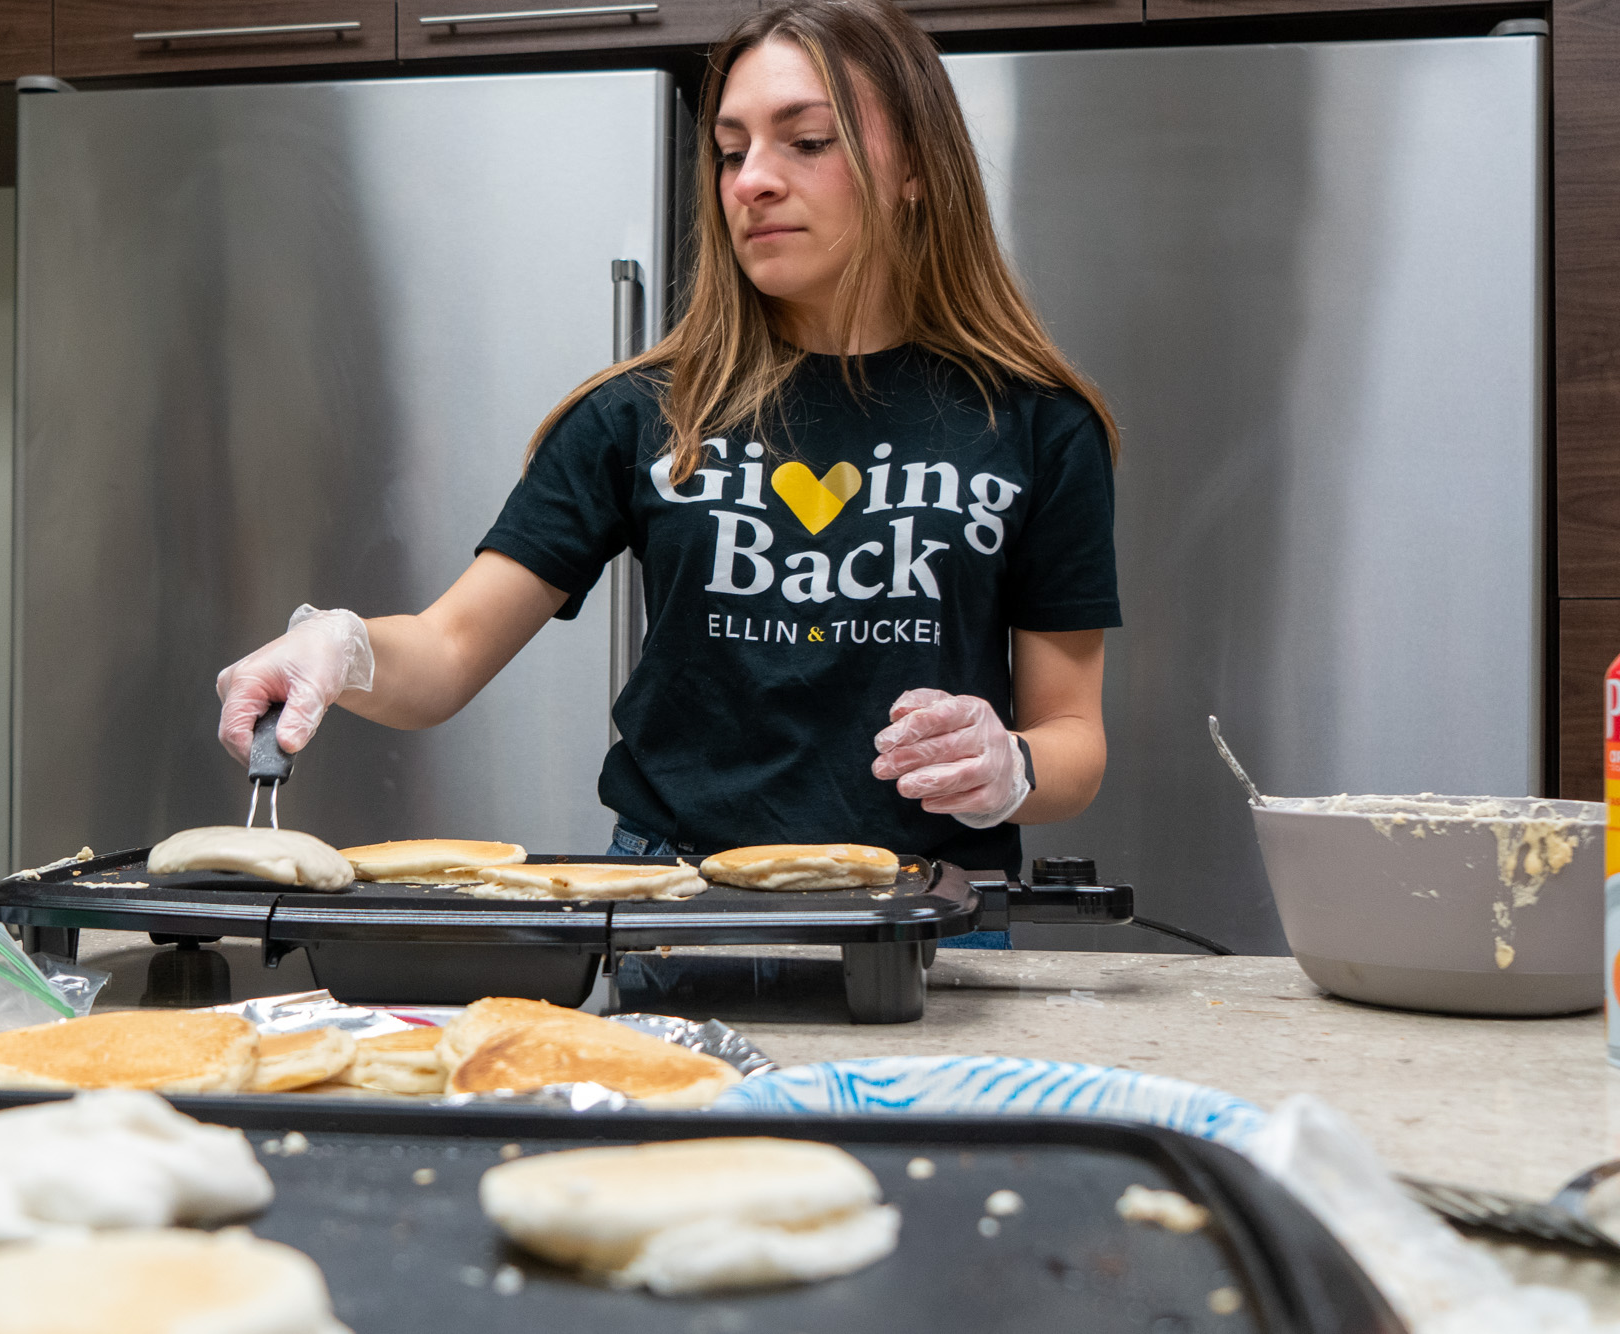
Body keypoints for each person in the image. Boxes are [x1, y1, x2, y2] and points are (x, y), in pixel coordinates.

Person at [214, 0, 1120, 947]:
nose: (754, 182)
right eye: (732, 151)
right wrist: (341, 646)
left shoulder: (1037, 425)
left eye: (806, 141)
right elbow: (445, 655)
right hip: (674, 913)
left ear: (917, 172)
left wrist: (1008, 765)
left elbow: (1075, 742)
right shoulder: (638, 413)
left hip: (932, 919)